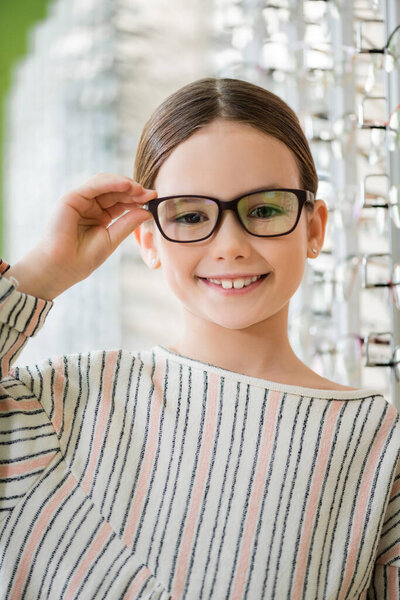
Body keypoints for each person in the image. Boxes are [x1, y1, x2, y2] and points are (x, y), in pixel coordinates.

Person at [0, 77, 399, 600]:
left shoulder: (377, 442)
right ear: (148, 241)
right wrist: (41, 274)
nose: (230, 245)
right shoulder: (58, 406)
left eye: (265, 209)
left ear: (314, 229)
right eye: (190, 216)